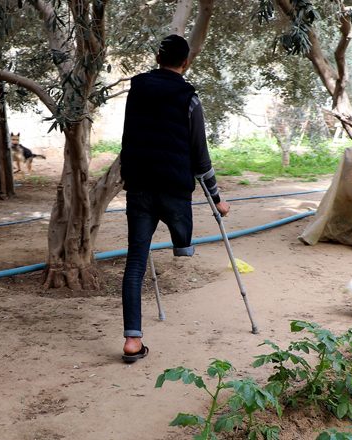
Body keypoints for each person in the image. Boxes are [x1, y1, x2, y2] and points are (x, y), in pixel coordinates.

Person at [118, 34, 230, 363]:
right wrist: (217, 199)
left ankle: (132, 341)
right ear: (186, 62)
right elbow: (200, 155)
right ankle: (183, 244)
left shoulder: (136, 89)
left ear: (157, 57)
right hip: (173, 191)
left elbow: (129, 137)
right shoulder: (189, 97)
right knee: (183, 244)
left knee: (135, 264)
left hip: (139, 188)